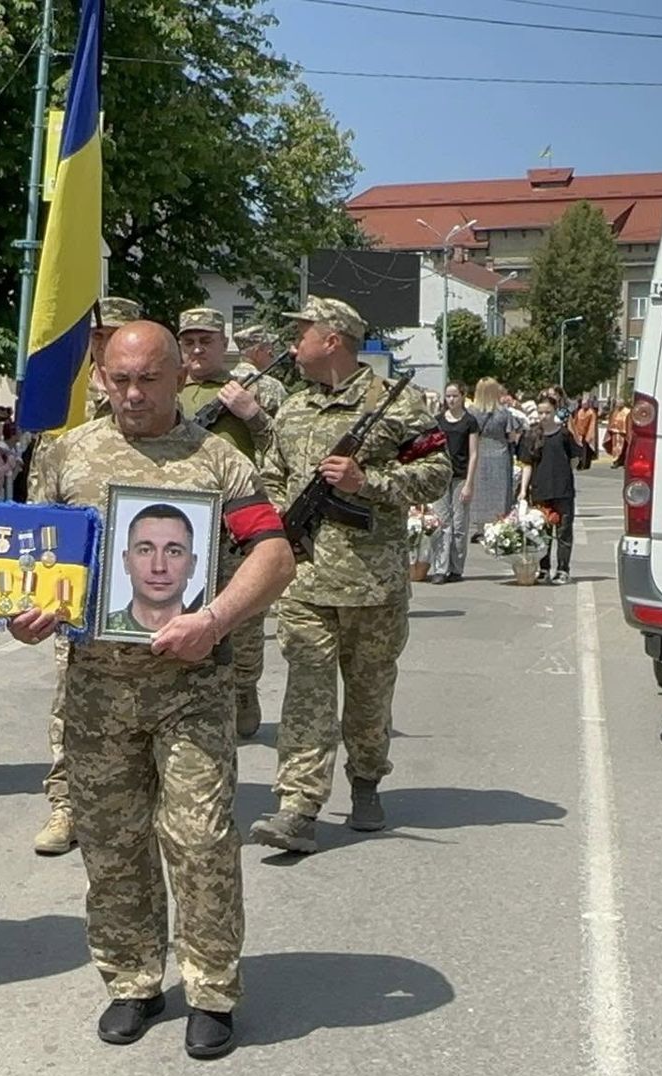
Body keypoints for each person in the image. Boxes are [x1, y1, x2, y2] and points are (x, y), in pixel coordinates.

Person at [10, 320, 296, 1058]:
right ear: (102, 378)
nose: (133, 394)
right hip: (95, 688)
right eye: (120, 379)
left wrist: (215, 618)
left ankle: (212, 988)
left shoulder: (218, 460)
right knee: (111, 842)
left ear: (178, 377)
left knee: (200, 841)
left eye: (149, 379)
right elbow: (33, 555)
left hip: (190, 686)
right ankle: (133, 979)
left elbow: (274, 554)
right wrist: (26, 612)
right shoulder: (66, 454)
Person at [251, 297, 450, 855]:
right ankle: (298, 806)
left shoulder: (397, 404)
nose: (293, 345)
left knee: (368, 694)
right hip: (304, 581)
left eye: (302, 334)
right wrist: (277, 523)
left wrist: (368, 483)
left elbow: (438, 472)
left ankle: (366, 780)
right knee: (306, 694)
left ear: (333, 339)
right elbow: (271, 474)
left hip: (373, 584)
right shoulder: (294, 409)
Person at [32, 294, 141, 857]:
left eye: (114, 334)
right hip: (78, 590)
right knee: (69, 700)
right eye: (96, 337)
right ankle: (66, 802)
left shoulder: (151, 406)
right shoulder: (67, 412)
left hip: (146, 588)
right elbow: (39, 517)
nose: (102, 345)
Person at [176, 307, 285, 738]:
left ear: (224, 344)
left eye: (206, 341)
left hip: (238, 520)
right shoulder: (168, 387)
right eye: (189, 342)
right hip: (182, 523)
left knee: (244, 616)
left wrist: (251, 413)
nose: (197, 350)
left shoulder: (257, 388)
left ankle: (243, 688)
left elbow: (287, 447)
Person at [102, 503, 199, 633]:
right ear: (126, 561)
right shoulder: (98, 630)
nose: (159, 567)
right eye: (145, 550)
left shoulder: (204, 634)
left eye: (173, 552)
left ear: (192, 565)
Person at [520, 394, 583, 584]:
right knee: (542, 531)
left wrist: (565, 473)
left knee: (563, 531)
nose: (544, 416)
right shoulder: (531, 435)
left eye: (548, 412)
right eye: (540, 412)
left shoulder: (563, 434)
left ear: (555, 412)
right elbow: (527, 464)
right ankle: (544, 568)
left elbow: (574, 458)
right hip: (540, 489)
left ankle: (563, 569)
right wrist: (523, 490)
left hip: (562, 490)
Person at [428, 382, 481, 583]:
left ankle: (456, 568)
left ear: (462, 396)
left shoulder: (470, 421)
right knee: (442, 522)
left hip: (460, 476)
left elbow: (473, 454)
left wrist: (469, 483)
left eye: (454, 396)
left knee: (459, 524)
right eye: (448, 396)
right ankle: (440, 568)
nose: (451, 400)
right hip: (441, 476)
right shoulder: (438, 420)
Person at [474, 379, 527, 527]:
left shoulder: (472, 412)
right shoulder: (504, 413)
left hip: (479, 453)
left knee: (480, 491)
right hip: (500, 454)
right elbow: (512, 437)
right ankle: (499, 523)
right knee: (501, 492)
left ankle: (480, 525)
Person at [570, 394, 599, 471]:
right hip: (579, 434)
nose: (584, 405)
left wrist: (589, 435)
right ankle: (579, 464)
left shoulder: (591, 412)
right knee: (579, 449)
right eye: (583, 404)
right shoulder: (579, 411)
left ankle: (584, 464)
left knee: (585, 451)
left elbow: (592, 424)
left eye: (585, 404)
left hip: (586, 434)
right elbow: (575, 422)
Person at [607, 398, 632, 467]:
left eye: (619, 403)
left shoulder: (627, 411)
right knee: (616, 446)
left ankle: (622, 461)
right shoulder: (615, 411)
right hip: (615, 431)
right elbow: (612, 420)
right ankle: (615, 460)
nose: (618, 405)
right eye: (617, 404)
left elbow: (629, 422)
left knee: (622, 447)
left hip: (624, 432)